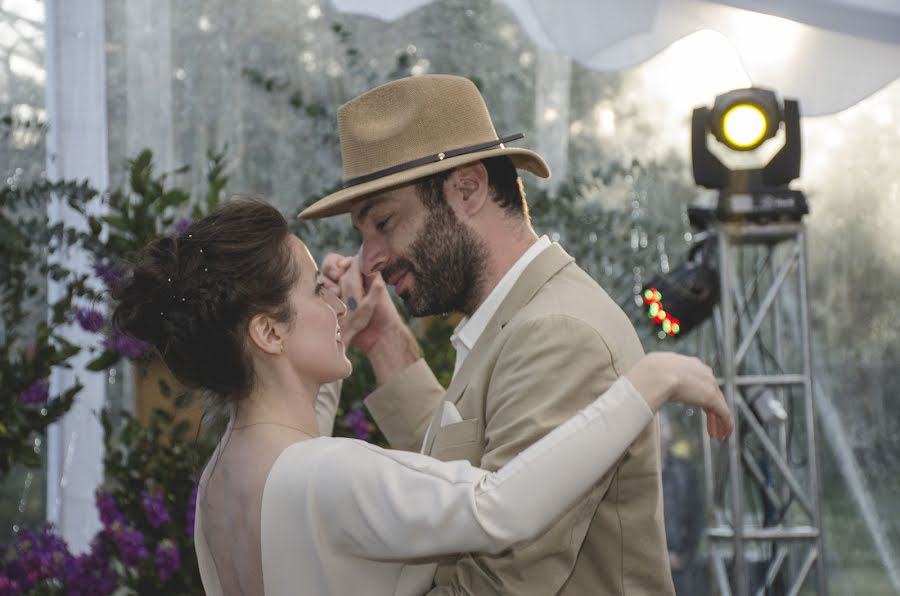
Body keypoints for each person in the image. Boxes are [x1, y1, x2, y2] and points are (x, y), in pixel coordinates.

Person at [111, 197, 731, 596]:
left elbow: (300, 471)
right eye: (314, 289)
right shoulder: (329, 472)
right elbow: (500, 510)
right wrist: (648, 383)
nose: (340, 292)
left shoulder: (222, 484)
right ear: (270, 331)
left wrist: (348, 342)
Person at [301, 73, 678, 594]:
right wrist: (382, 340)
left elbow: (497, 580)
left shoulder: (557, 334)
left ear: (468, 189)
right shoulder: (516, 317)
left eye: (383, 222)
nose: (370, 260)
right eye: (361, 236)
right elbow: (459, 484)